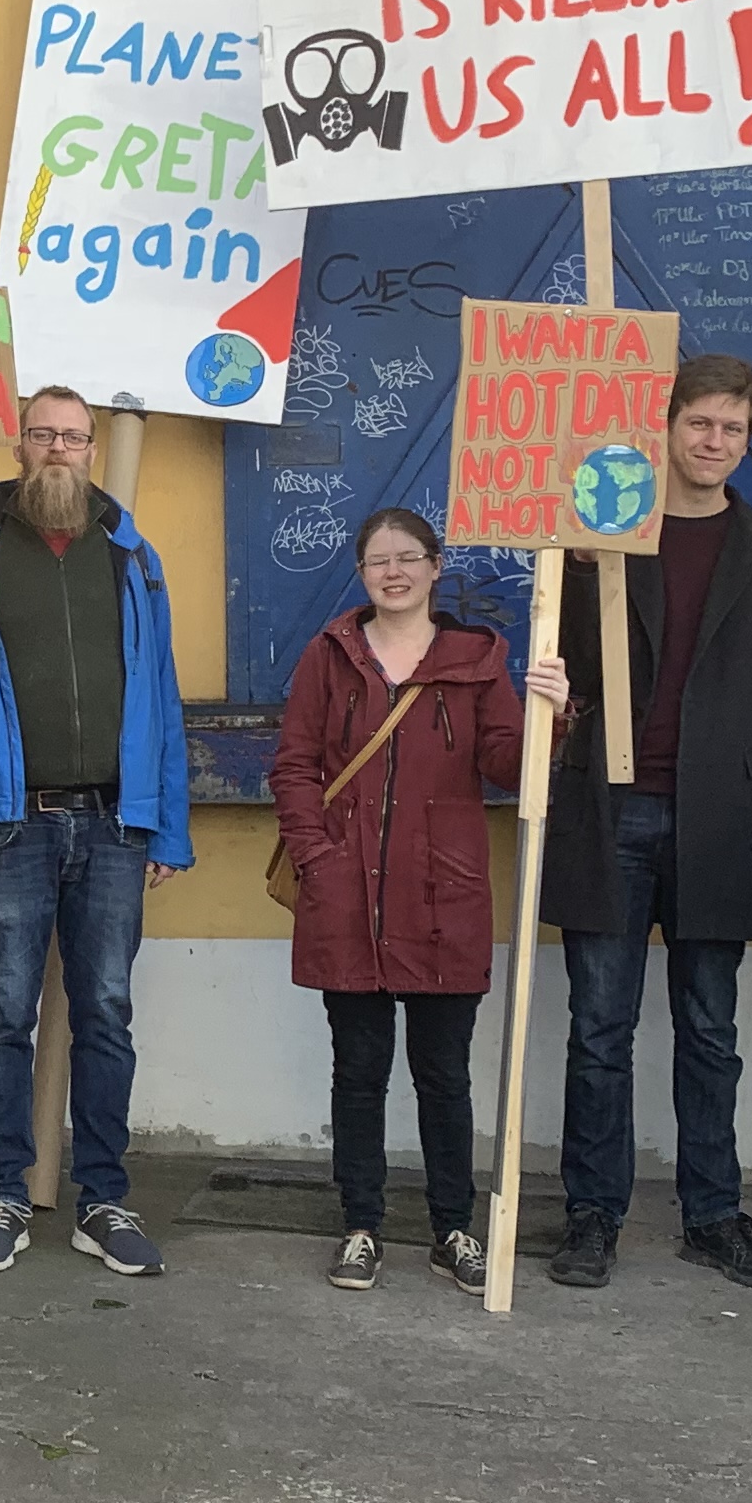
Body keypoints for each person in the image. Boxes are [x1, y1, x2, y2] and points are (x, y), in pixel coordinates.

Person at [542, 353, 752, 1295]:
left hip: (724, 821)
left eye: (731, 429)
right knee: (599, 1029)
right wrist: (562, 600)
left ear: (749, 441)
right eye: (699, 423)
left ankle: (713, 1216)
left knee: (711, 1030)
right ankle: (592, 1214)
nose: (714, 442)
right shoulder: (600, 539)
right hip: (609, 809)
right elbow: (562, 666)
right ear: (664, 428)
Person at [0, 386, 193, 1276]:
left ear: (90, 449)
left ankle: (103, 1200)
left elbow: (159, 692)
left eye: (73, 437)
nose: (58, 450)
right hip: (9, 822)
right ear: (19, 445)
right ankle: (2, 1194)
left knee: (106, 1014)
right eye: (43, 434)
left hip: (114, 823)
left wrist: (167, 826)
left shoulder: (132, 557)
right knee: (4, 1015)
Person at [271, 507, 569, 1295]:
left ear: (437, 567)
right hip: (349, 898)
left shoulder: (478, 658)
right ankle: (361, 1225)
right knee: (358, 1072)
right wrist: (317, 857)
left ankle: (452, 1229)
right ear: (362, 573)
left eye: (408, 557)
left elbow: (506, 765)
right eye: (379, 560)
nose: (393, 572)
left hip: (444, 898)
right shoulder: (329, 656)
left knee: (444, 1076)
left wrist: (552, 714)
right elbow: (295, 765)